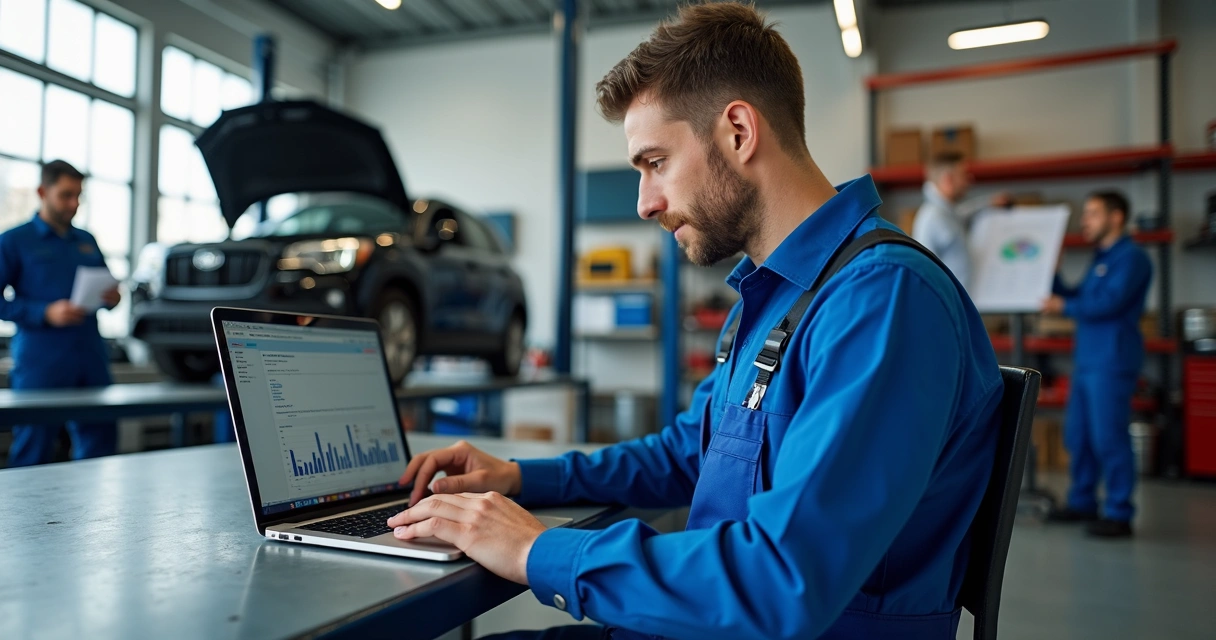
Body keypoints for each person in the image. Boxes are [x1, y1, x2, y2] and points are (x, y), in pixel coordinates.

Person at [386, 4, 1002, 639]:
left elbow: (783, 580)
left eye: (655, 162)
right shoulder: (777, 297)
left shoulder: (881, 301)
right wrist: (522, 478)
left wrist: (534, 551)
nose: (645, 203)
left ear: (738, 131)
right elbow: (695, 452)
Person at [1042, 191, 1151, 539]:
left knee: (1109, 437)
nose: (1085, 221)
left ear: (1116, 217)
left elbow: (1108, 303)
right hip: (1088, 360)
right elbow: (1079, 297)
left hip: (1112, 360)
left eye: (1092, 213)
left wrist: (1064, 308)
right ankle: (1082, 501)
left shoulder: (1132, 258)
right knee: (1080, 436)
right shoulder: (1101, 257)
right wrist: (1054, 274)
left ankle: (1119, 512)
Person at [0, 160, 121, 466]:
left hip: (91, 358)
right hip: (42, 363)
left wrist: (112, 297)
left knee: (101, 449)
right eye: (66, 195)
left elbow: (108, 291)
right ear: (42, 191)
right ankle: (27, 516)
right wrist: (44, 312)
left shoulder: (86, 240)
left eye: (78, 196)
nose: (73, 204)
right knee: (33, 450)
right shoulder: (14, 240)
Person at [911, 153, 1010, 290]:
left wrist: (990, 203)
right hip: (947, 305)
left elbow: (964, 212)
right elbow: (925, 270)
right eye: (964, 175)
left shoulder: (947, 213)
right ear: (948, 179)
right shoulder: (933, 217)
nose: (969, 180)